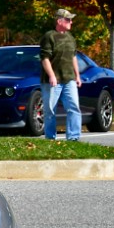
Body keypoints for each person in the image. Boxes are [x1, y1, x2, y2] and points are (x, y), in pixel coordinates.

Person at [39, 8, 82, 140]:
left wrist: (77, 76)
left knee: (74, 108)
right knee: (50, 110)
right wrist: (52, 75)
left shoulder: (70, 38)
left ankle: (73, 138)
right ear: (59, 21)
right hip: (53, 81)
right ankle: (50, 138)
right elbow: (45, 58)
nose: (71, 22)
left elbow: (73, 57)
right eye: (68, 19)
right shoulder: (49, 36)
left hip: (69, 79)